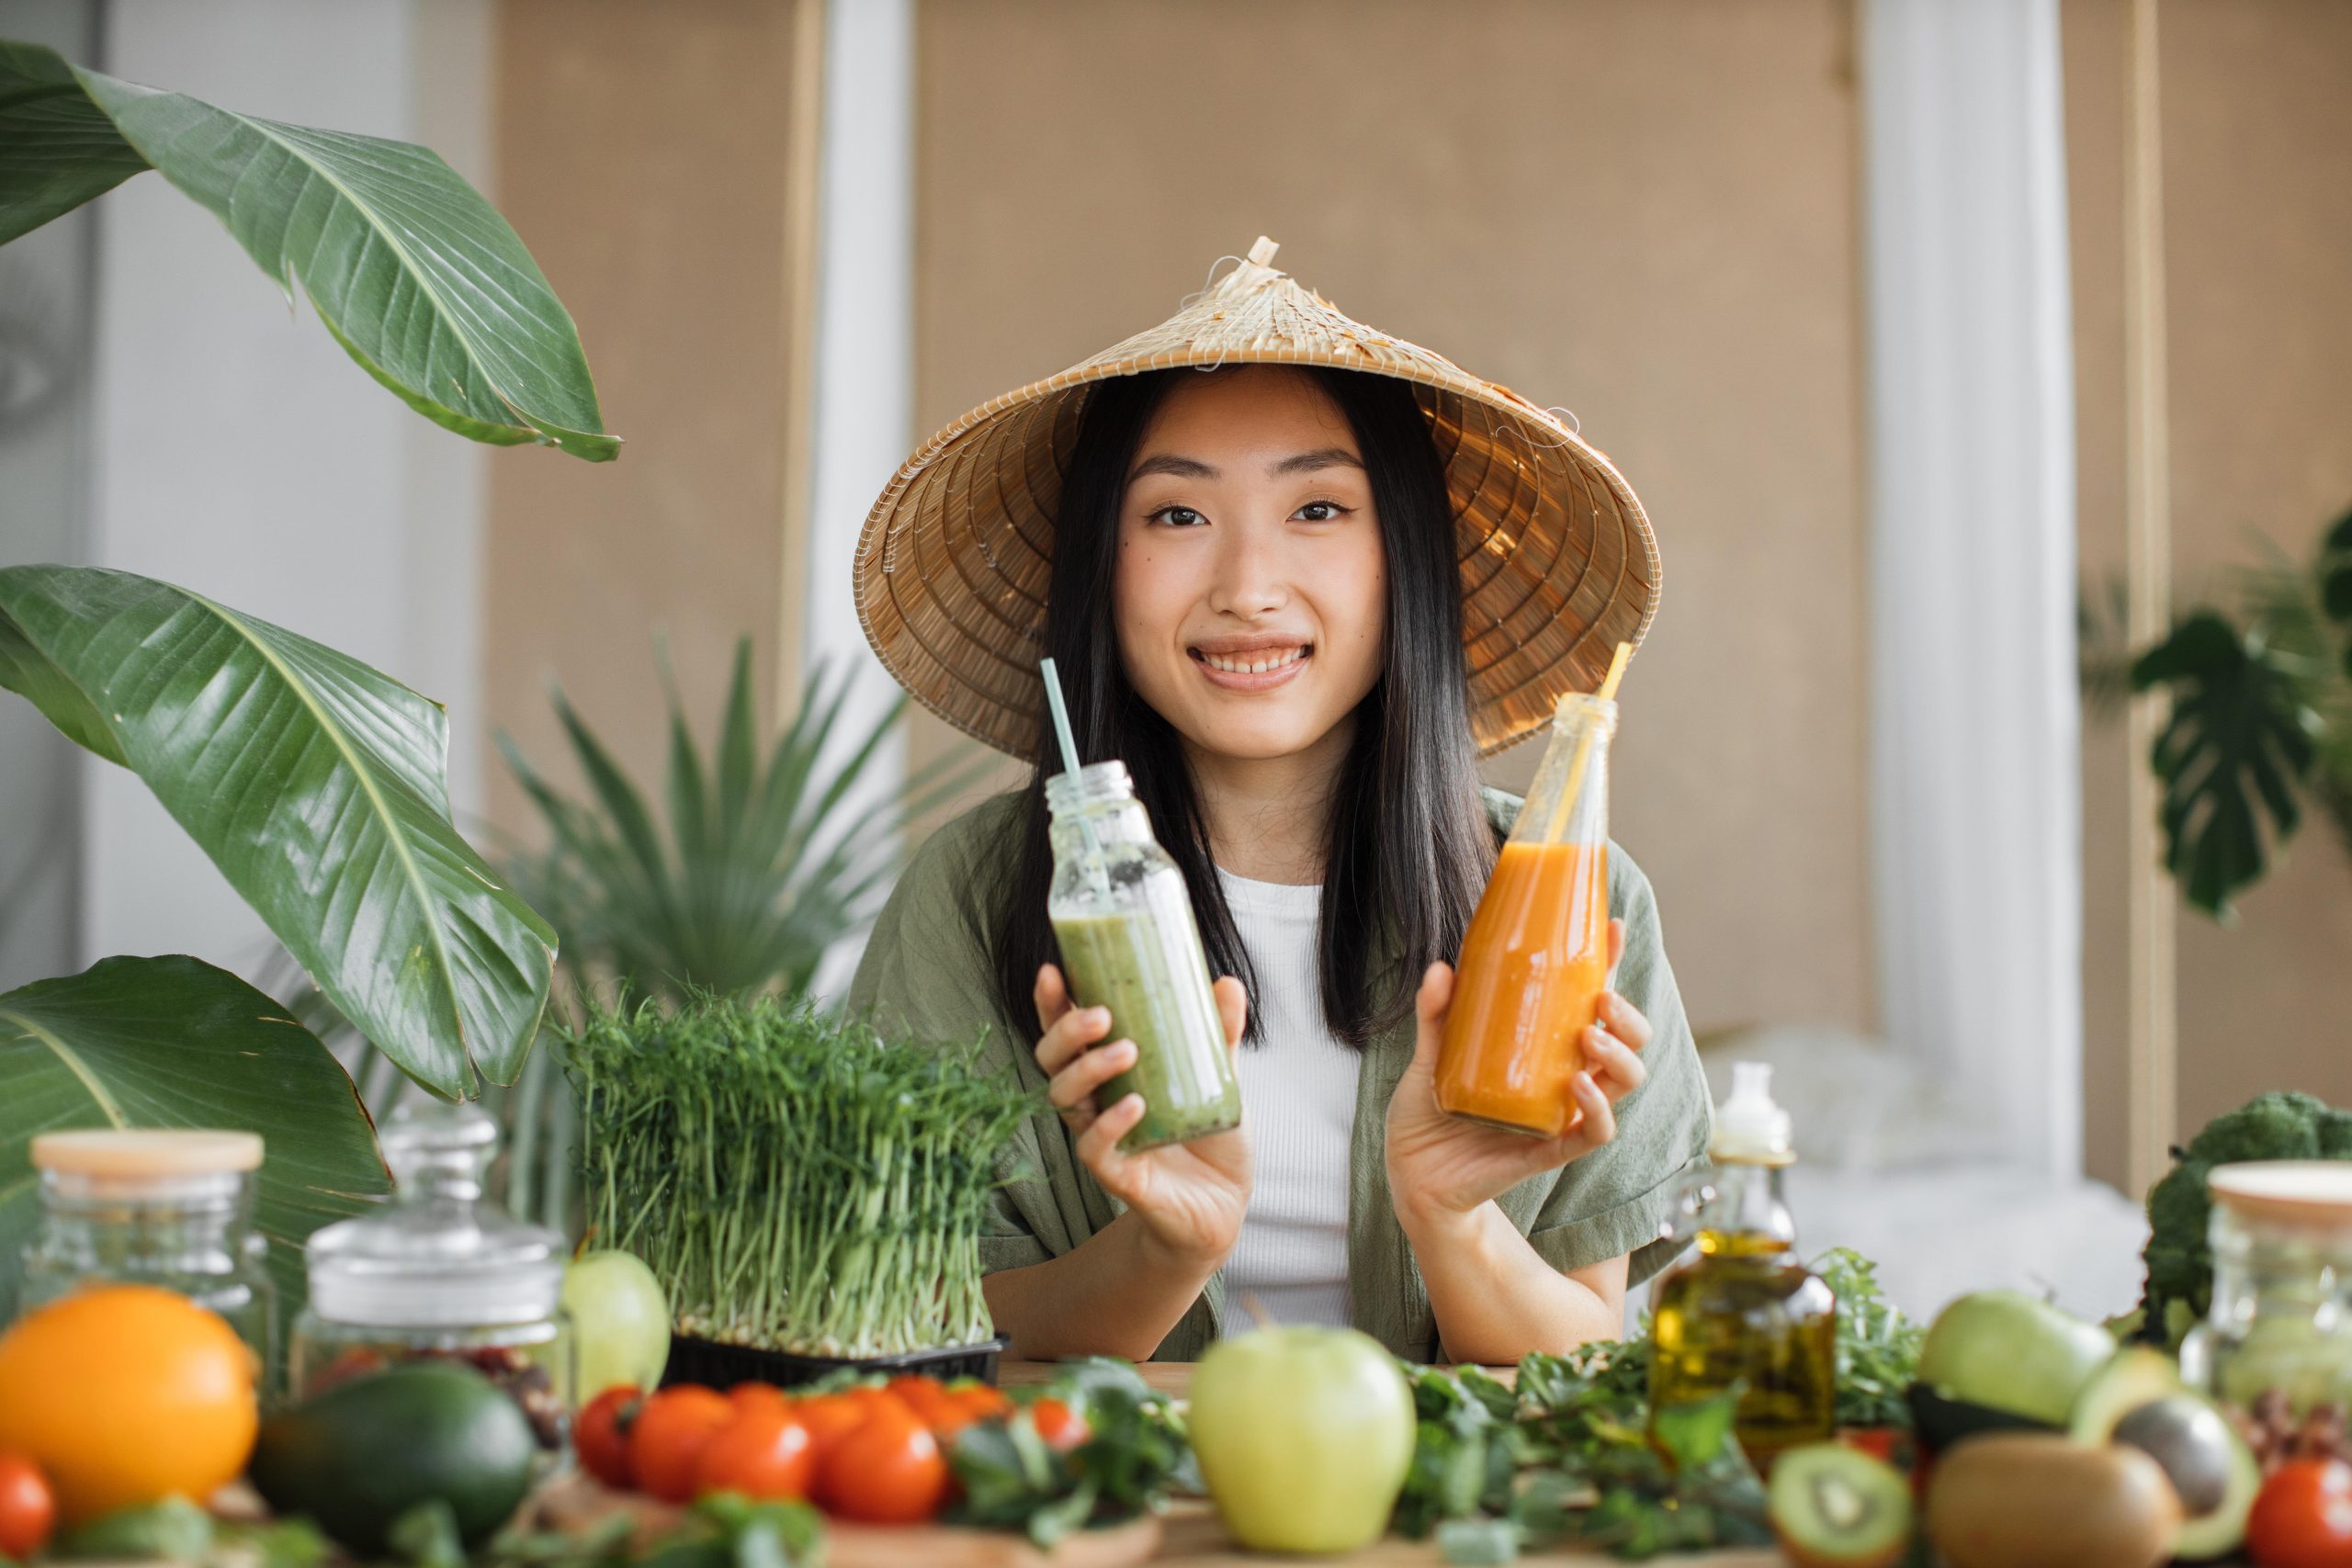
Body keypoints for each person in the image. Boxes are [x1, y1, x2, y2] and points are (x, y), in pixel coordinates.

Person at [848, 239, 1710, 1364]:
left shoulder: (1571, 902)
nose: (1248, 589)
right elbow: (930, 1338)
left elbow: (1582, 1355)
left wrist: (1452, 1219)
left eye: (1316, 510)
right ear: (1098, 572)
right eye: (1174, 516)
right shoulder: (970, 902)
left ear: (1403, 558)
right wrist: (1163, 1247)